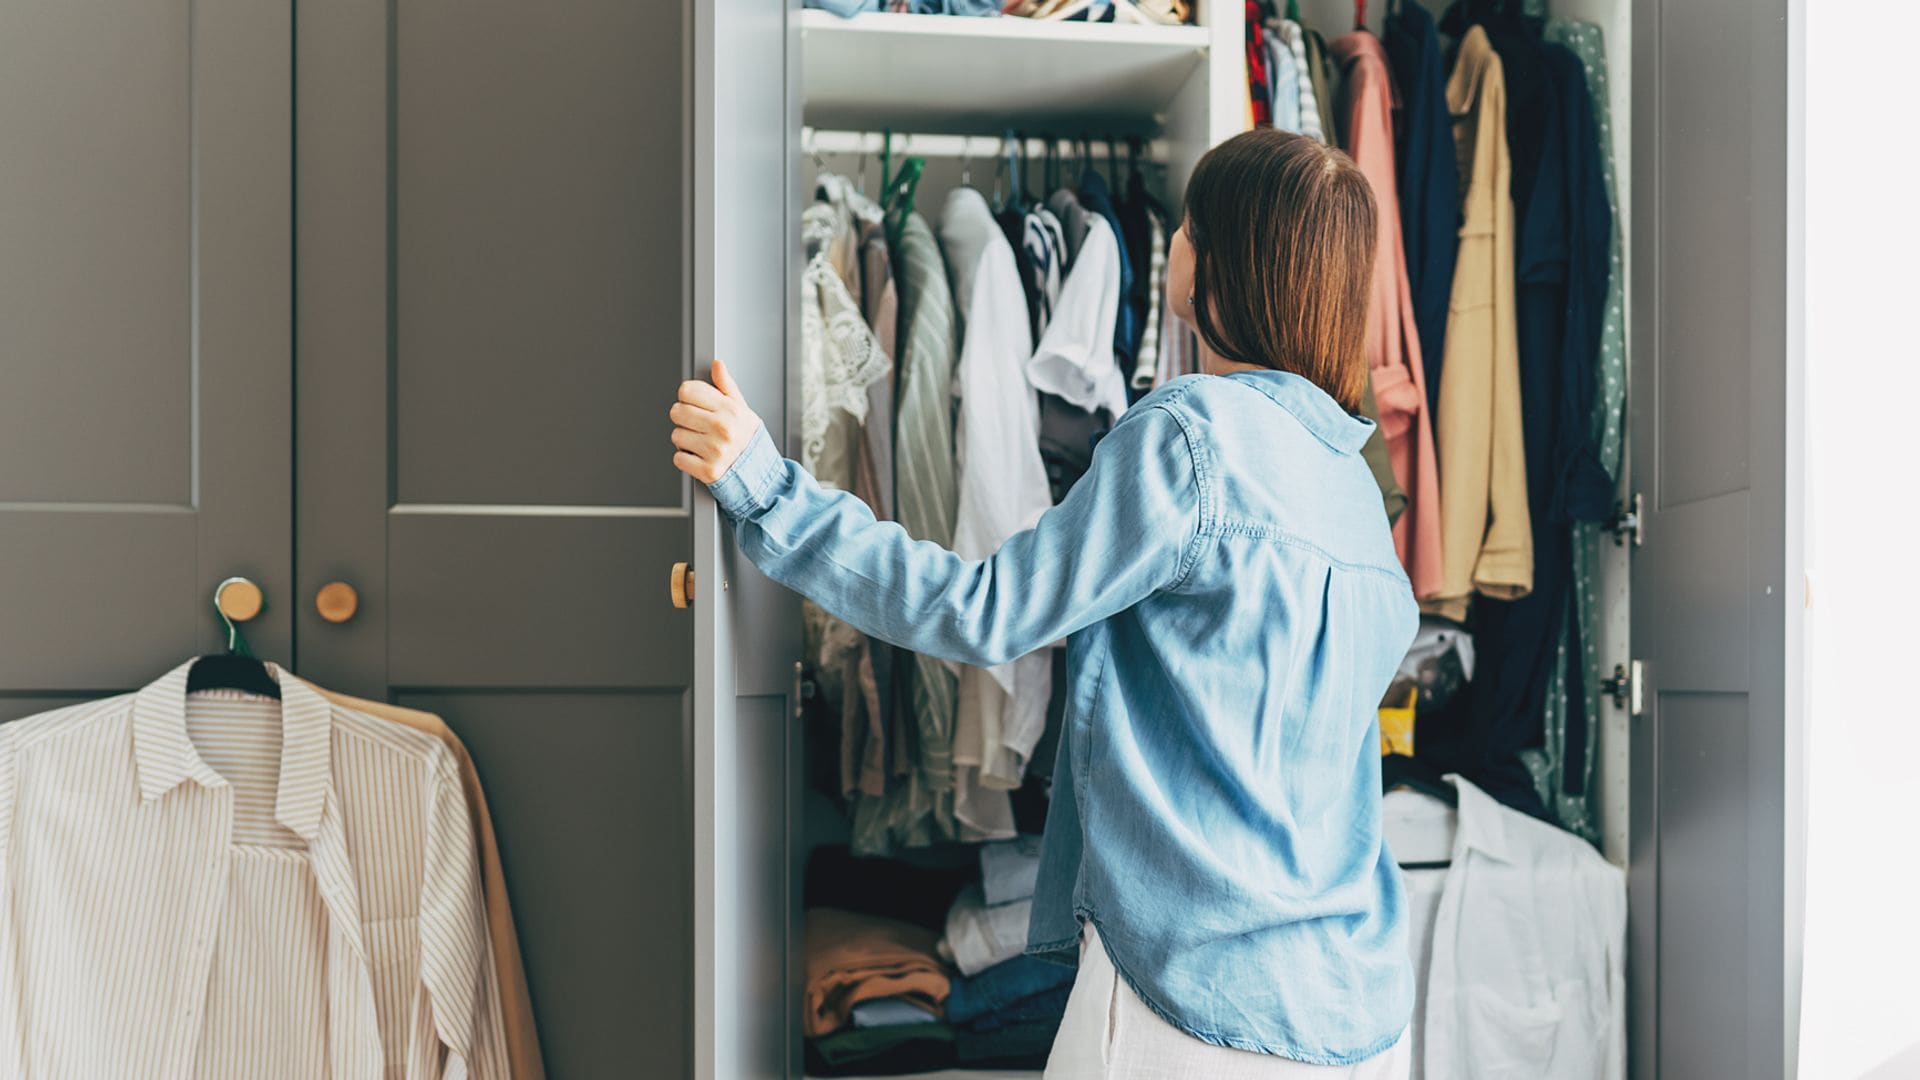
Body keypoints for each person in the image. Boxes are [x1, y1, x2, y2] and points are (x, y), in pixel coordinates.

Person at [670, 129, 1416, 1079]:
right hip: (1358, 1014)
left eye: (1188, 223)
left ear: (1217, 262)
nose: (1175, 241)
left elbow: (984, 611)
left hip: (1196, 1005)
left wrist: (768, 489)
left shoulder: (1191, 440)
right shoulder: (1353, 484)